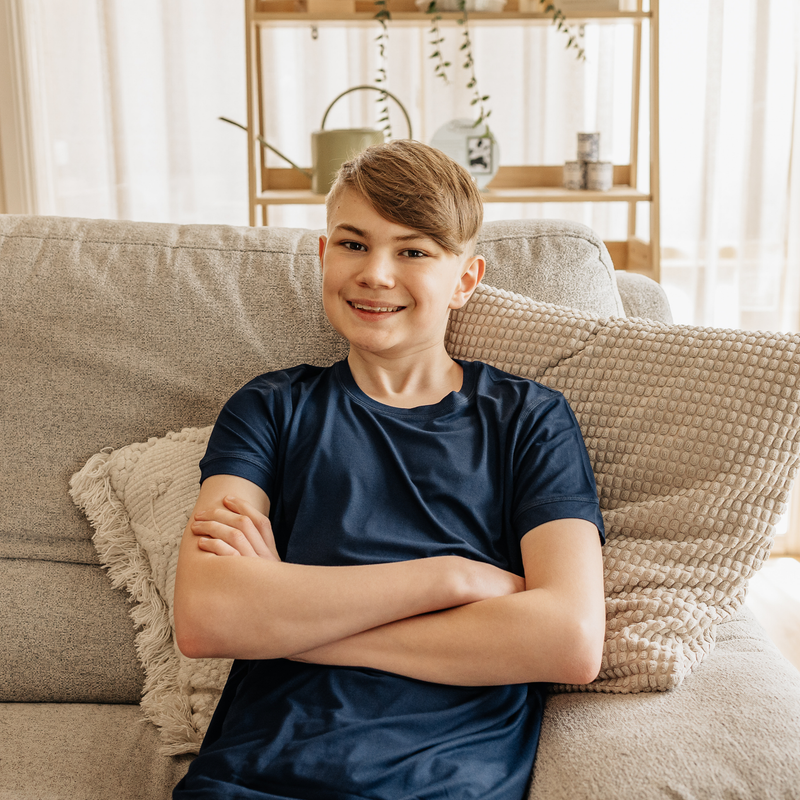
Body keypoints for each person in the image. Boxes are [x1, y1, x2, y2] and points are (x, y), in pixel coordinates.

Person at [172, 140, 606, 800]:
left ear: (464, 279)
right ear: (323, 256)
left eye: (413, 251)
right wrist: (452, 577)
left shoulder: (529, 419)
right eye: (353, 244)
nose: (376, 273)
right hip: (251, 776)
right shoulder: (268, 408)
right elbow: (207, 617)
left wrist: (288, 621)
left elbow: (569, 639)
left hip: (443, 781)